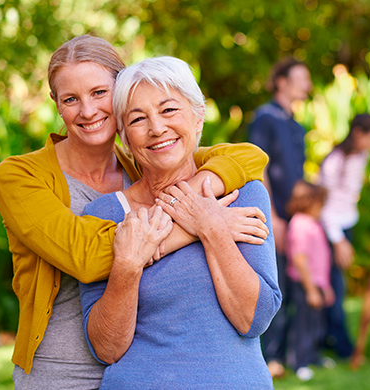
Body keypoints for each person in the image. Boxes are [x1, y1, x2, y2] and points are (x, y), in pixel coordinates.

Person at [0, 35, 270, 389]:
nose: (88, 110)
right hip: (63, 369)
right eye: (70, 99)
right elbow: (87, 258)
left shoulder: (145, 162)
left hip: (137, 363)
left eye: (98, 93)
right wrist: (202, 223)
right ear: (56, 104)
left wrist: (202, 204)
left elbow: (248, 156)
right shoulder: (20, 176)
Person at [78, 56, 281, 389]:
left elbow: (253, 319)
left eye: (169, 110)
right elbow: (106, 348)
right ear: (125, 138)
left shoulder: (243, 194)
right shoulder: (105, 215)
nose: (157, 128)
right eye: (138, 119)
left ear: (198, 118)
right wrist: (128, 265)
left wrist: (210, 225)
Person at [248, 57, 313, 377]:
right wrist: (272, 215)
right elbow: (258, 167)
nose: (308, 85)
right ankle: (269, 356)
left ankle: (294, 353)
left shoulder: (295, 124)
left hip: (296, 220)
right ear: (282, 82)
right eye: (302, 78)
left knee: (295, 287)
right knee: (275, 284)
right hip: (274, 218)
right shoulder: (265, 119)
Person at [319, 114, 370, 359]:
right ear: (357, 133)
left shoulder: (362, 156)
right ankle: (343, 346)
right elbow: (324, 205)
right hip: (332, 230)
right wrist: (338, 240)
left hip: (348, 225)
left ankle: (329, 339)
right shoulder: (334, 162)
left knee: (338, 284)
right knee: (334, 286)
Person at [285, 180, 334, 381]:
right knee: (303, 324)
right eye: (319, 204)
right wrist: (311, 290)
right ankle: (299, 362)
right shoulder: (300, 224)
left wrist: (325, 288)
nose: (322, 208)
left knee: (316, 323)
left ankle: (313, 356)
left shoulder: (313, 223)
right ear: (308, 202)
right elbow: (300, 258)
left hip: (318, 283)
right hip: (304, 284)